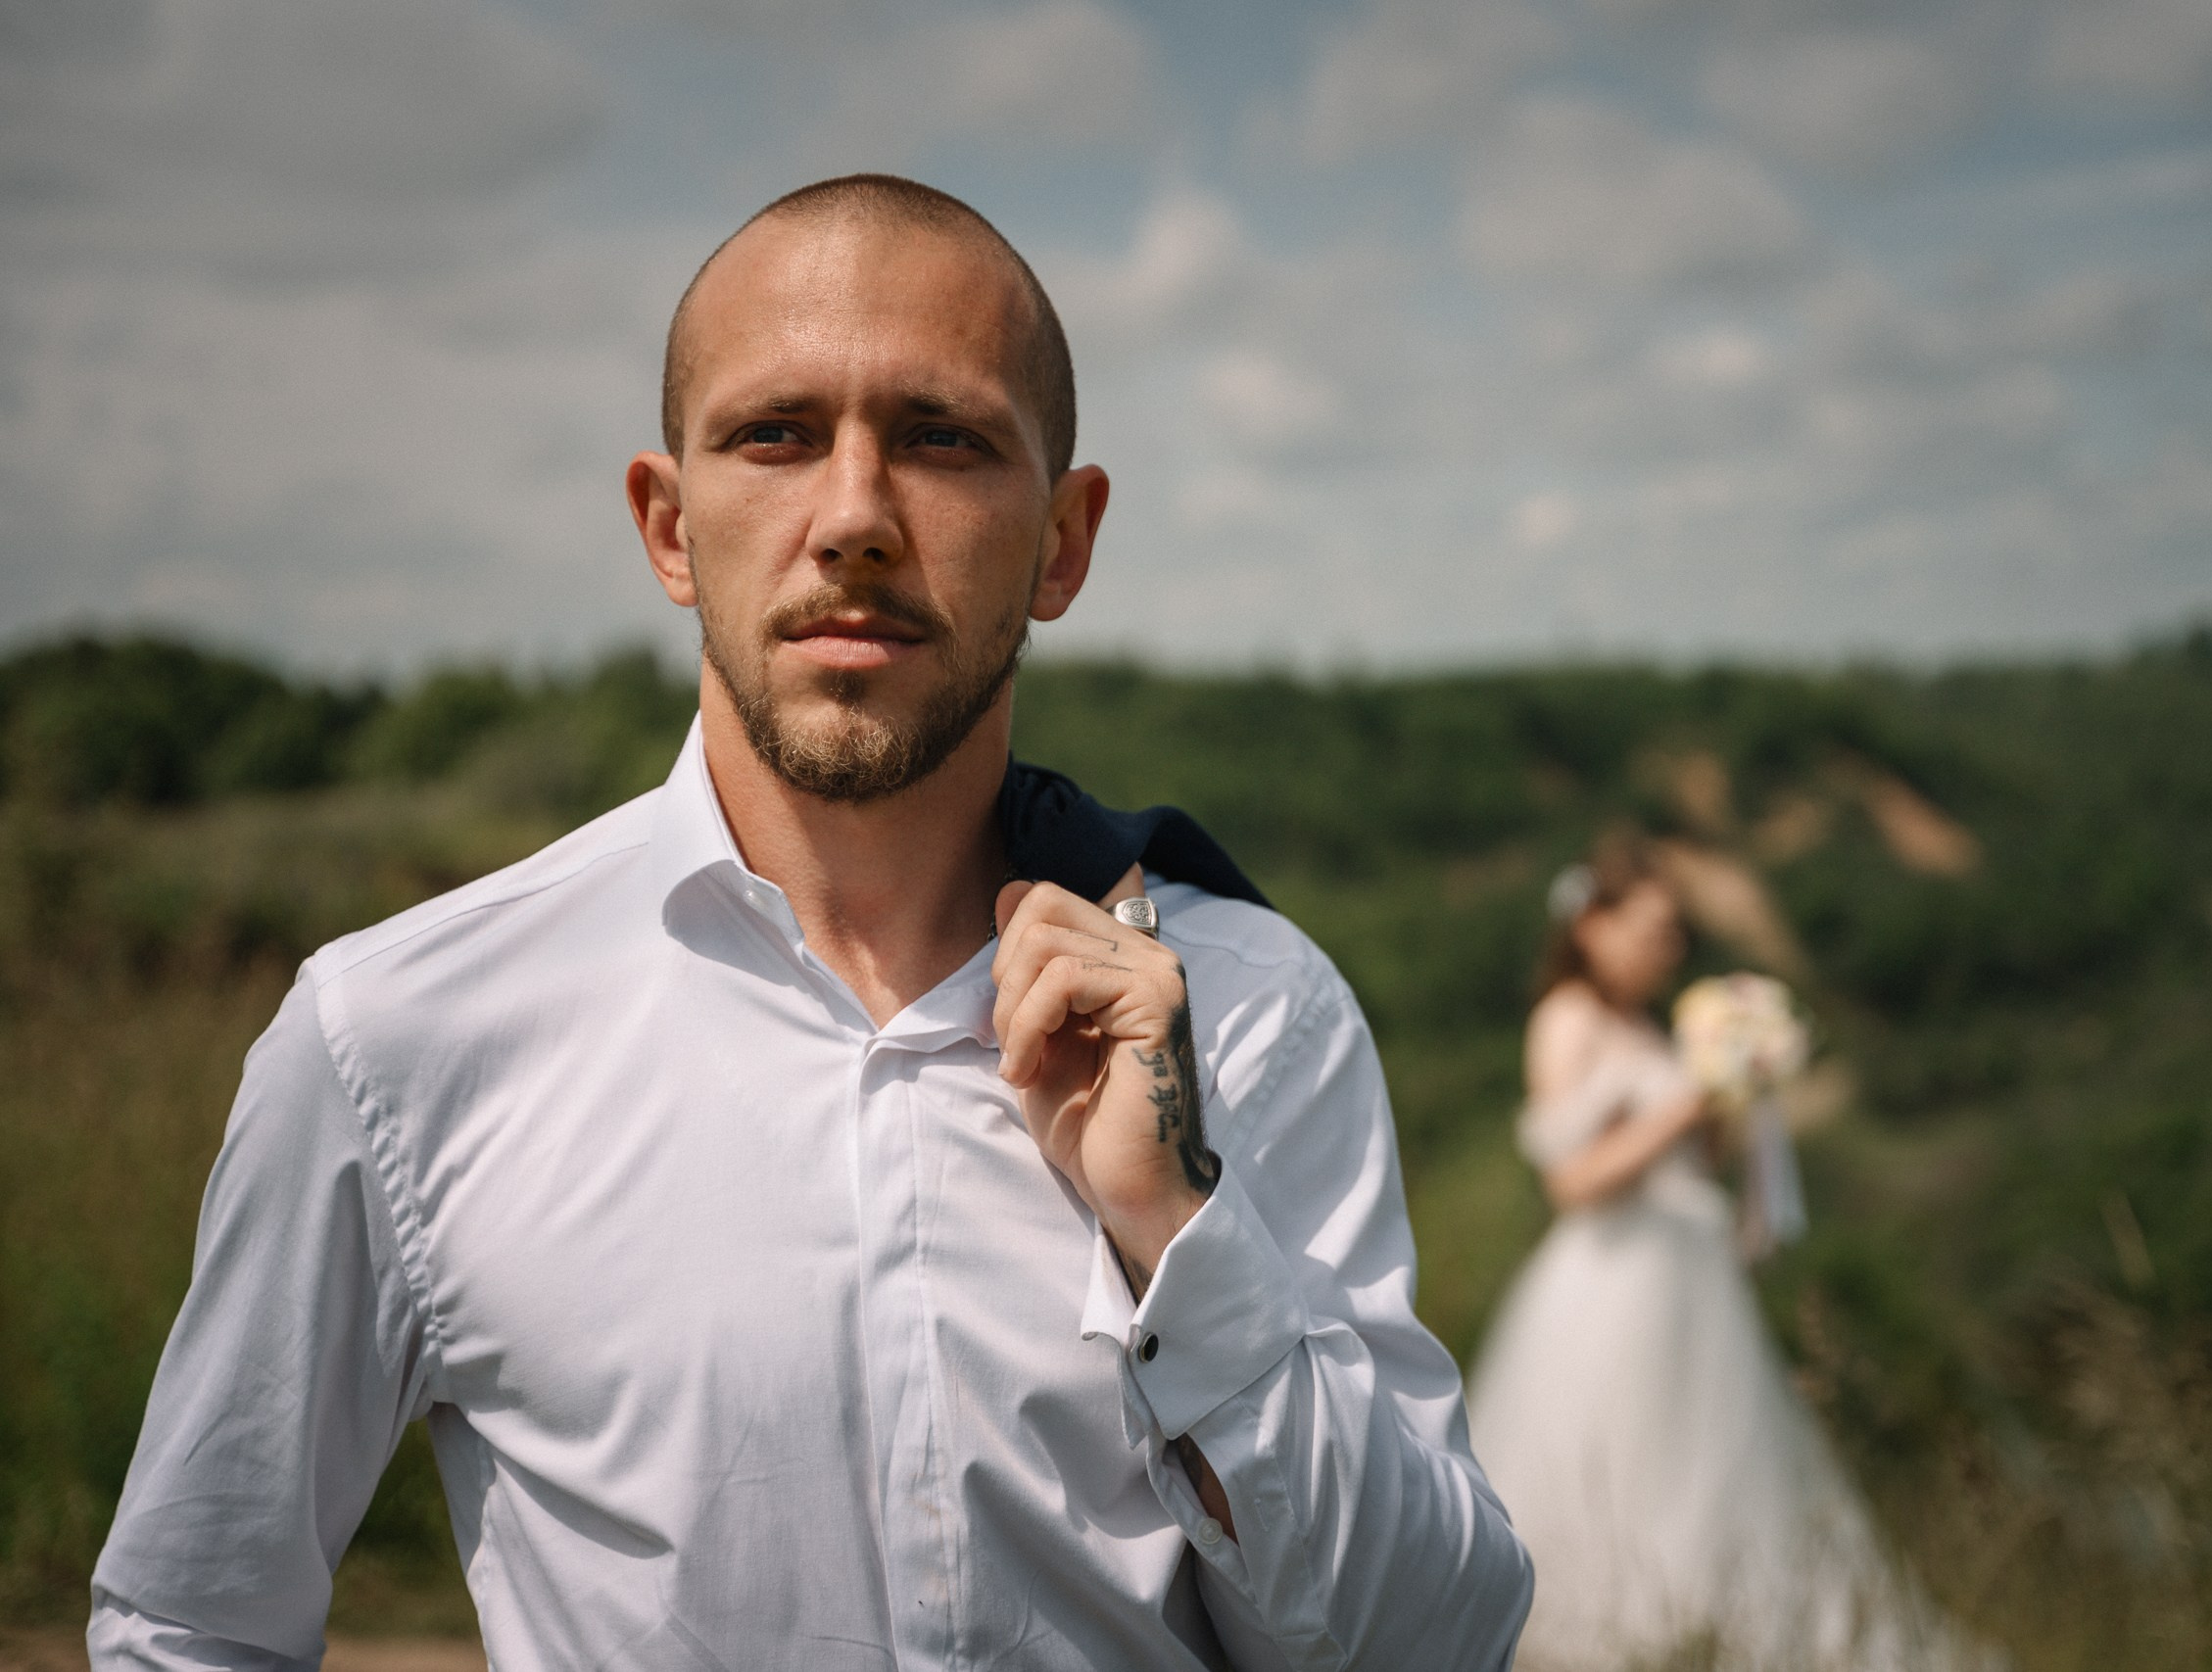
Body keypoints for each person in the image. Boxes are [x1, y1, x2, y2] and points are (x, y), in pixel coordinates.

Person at [89, 174, 1531, 1671]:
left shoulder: (1250, 1007)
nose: (852, 517)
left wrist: (1176, 1227)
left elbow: (1437, 1644)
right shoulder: (393, 1038)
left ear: (1062, 539)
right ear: (668, 525)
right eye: (777, 435)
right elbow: (192, 1621)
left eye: (942, 438)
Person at [1467, 834, 1965, 1671]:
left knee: (1705, 1464)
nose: (1663, 948)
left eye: (1673, 934)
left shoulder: (1647, 1024)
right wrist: (1690, 1096)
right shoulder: (1568, 1019)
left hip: (1688, 1276)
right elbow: (1574, 1179)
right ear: (1592, 924)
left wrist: (1728, 1101)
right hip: (1612, 1277)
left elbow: (1693, 1163)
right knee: (1614, 1467)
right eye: (1649, 927)